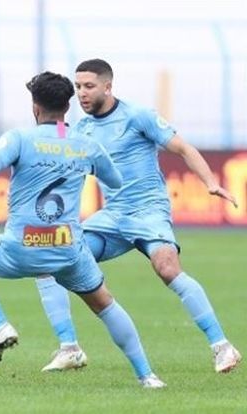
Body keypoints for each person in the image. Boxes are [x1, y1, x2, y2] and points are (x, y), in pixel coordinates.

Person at [0, 71, 166, 388]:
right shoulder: (87, 145)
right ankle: (147, 375)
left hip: (20, 249)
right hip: (68, 251)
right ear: (67, 106)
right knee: (105, 304)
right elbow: (114, 181)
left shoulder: (19, 139)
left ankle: (0, 326)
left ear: (35, 107)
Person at [34, 59, 242, 373]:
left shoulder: (137, 116)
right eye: (77, 87)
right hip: (112, 217)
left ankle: (222, 346)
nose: (82, 93)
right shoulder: (83, 129)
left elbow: (183, 148)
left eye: (89, 86)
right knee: (51, 259)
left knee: (167, 268)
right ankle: (69, 347)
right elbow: (58, 149)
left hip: (148, 211)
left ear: (107, 86)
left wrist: (211, 183)